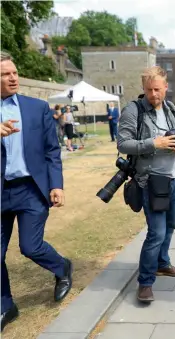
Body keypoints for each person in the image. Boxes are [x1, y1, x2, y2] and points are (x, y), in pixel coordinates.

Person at [1, 51, 72, 331]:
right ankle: (6, 305)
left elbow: (52, 150)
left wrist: (56, 184)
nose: (13, 77)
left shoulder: (36, 108)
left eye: (15, 72)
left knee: (30, 246)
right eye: (6, 74)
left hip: (31, 189)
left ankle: (62, 267)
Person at [117, 66, 175, 303]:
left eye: (157, 89)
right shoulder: (133, 110)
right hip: (149, 181)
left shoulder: (171, 109)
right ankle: (145, 282)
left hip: (172, 178)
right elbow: (123, 144)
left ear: (166, 87)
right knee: (155, 232)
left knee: (169, 226)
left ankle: (162, 263)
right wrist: (153, 143)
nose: (153, 94)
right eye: (149, 90)